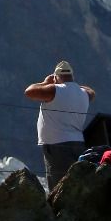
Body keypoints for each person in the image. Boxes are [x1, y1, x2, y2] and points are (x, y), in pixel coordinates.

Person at [25, 60, 96, 191]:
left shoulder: (54, 90)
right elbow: (91, 91)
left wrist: (45, 83)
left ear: (56, 77)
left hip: (57, 145)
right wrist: (75, 86)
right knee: (76, 184)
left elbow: (29, 92)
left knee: (59, 185)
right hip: (78, 144)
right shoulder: (84, 94)